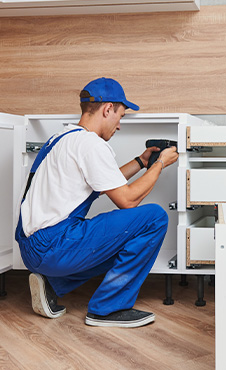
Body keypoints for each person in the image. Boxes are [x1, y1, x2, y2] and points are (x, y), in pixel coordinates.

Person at [15, 77, 179, 328]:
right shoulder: (90, 144)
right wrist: (160, 164)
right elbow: (127, 200)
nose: (119, 126)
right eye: (121, 116)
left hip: (32, 248)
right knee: (154, 218)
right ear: (108, 109)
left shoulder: (63, 138)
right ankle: (107, 309)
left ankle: (52, 283)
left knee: (124, 240)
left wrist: (141, 161)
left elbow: (104, 184)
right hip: (53, 245)